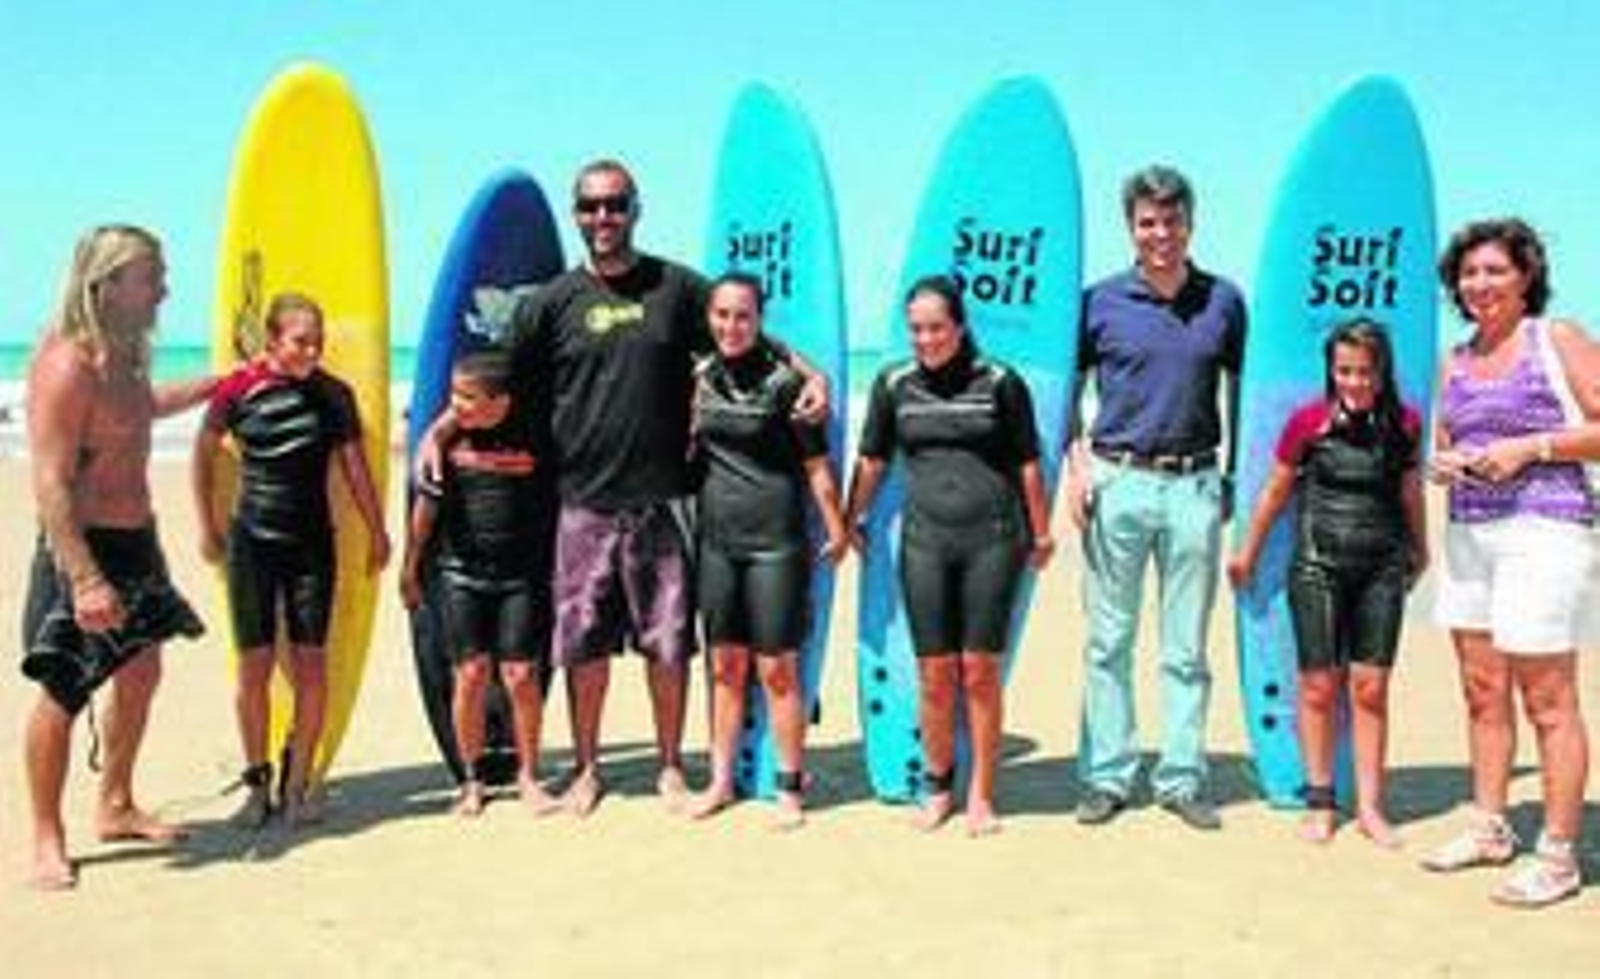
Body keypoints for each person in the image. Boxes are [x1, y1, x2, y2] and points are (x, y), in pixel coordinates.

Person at [418, 159, 827, 816]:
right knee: (584, 647)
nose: (602, 217)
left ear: (636, 208)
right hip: (579, 501)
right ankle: (587, 768)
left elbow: (743, 331)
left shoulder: (675, 287)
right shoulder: (551, 301)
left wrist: (813, 376)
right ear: (577, 213)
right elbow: (498, 380)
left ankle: (668, 766)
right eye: (589, 206)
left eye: (614, 205)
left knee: (667, 645)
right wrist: (440, 431)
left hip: (663, 501)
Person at [21, 224, 211, 889]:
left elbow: (137, 414)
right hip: (85, 546)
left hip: (137, 541)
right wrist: (84, 577)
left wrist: (220, 383)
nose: (165, 289)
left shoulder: (126, 353)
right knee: (63, 689)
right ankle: (47, 832)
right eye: (152, 276)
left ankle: (116, 803)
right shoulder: (67, 362)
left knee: (141, 671)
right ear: (107, 284)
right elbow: (48, 479)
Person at [1066, 164, 1246, 831]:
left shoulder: (1223, 300)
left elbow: (1244, 393)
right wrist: (1076, 467)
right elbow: (1065, 392)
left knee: (1185, 648)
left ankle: (1181, 776)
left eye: (1172, 220)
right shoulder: (1099, 301)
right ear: (1131, 227)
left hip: (1197, 483)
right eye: (1148, 221)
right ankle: (1107, 776)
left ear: (1189, 223)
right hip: (1117, 481)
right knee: (1107, 641)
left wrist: (1235, 480)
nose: (1160, 233)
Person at [1422, 218, 1596, 908]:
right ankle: (1491, 824)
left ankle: (1558, 853)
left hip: (1546, 530)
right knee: (1482, 689)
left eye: (1495, 270)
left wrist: (1533, 448)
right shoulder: (1453, 359)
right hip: (1471, 532)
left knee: (1548, 697)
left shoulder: (1555, 339)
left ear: (1527, 276)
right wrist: (1444, 462)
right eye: (1468, 273)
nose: (1480, 284)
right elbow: (1446, 439)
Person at [843, 275, 1054, 836]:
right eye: (916, 329)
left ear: (960, 327)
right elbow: (872, 462)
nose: (926, 339)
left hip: (992, 540)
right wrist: (849, 518)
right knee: (934, 674)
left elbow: (1027, 463)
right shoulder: (893, 385)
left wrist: (1042, 532)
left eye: (937, 327)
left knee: (980, 672)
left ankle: (982, 794)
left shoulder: (1002, 383)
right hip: (925, 543)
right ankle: (938, 788)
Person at [1227, 319, 1428, 846]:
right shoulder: (1307, 422)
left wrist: (1421, 547)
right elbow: (1274, 492)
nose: (1355, 382)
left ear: (1382, 372)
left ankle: (1369, 807)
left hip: (1382, 566)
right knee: (1318, 686)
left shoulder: (1406, 423)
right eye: (1345, 371)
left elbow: (1410, 493)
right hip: (1317, 565)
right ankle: (1320, 801)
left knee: (1371, 687)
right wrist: (1246, 551)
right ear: (1331, 371)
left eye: (1365, 371)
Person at [193, 292, 389, 828]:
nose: (312, 350)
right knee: (253, 669)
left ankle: (299, 783)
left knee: (312, 667)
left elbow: (354, 470)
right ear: (273, 340)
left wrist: (377, 530)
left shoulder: (333, 395)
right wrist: (206, 524)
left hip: (311, 546)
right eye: (301, 341)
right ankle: (257, 787)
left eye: (318, 341)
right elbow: (204, 452)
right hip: (252, 542)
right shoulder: (238, 390)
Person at [684, 273, 848, 829]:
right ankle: (721, 782)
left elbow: (817, 469)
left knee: (778, 669)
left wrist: (838, 527)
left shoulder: (786, 387)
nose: (731, 326)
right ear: (711, 318)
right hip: (718, 545)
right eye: (722, 315)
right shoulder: (700, 379)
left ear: (760, 321)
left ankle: (789, 786)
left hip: (775, 544)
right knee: (725, 668)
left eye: (743, 316)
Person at [400, 351, 558, 818]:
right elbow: (425, 512)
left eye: (466, 397)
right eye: (452, 395)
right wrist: (410, 569)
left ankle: (529, 776)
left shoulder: (540, 436)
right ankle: (470, 781)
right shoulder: (446, 442)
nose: (455, 406)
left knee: (522, 676)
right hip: (459, 574)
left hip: (521, 576)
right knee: (469, 676)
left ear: (499, 401)